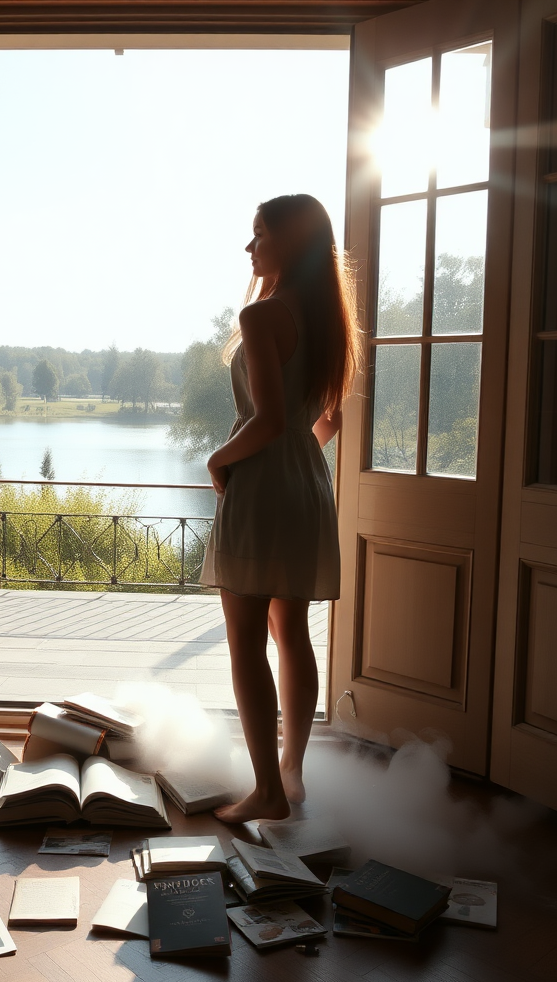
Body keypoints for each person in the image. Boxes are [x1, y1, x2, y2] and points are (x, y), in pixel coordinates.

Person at [198, 193, 360, 824]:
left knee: (245, 642)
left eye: (259, 233)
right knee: (292, 634)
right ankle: (291, 770)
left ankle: (266, 791)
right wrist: (298, 456)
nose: (249, 246)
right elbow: (327, 421)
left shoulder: (262, 316)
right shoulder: (325, 320)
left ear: (287, 243)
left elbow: (264, 421)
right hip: (306, 483)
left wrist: (219, 460)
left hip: (264, 489)